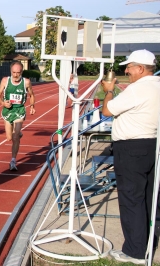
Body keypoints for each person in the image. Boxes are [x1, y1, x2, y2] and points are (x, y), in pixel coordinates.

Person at [101, 49, 160, 264]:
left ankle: (135, 251)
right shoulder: (157, 85)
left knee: (131, 199)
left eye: (129, 67)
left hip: (131, 147)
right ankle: (146, 243)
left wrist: (108, 91)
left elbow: (107, 110)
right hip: (153, 144)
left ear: (141, 68)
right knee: (149, 198)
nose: (126, 71)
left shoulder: (137, 89)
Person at [0, 61, 36, 171]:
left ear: (22, 72)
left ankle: (13, 160)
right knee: (9, 138)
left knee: (15, 136)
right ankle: (18, 134)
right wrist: (3, 103)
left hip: (19, 110)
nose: (16, 75)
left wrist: (32, 106)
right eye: (14, 72)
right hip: (7, 110)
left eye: (18, 72)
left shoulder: (26, 82)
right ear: (10, 71)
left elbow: (32, 95)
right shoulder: (5, 81)